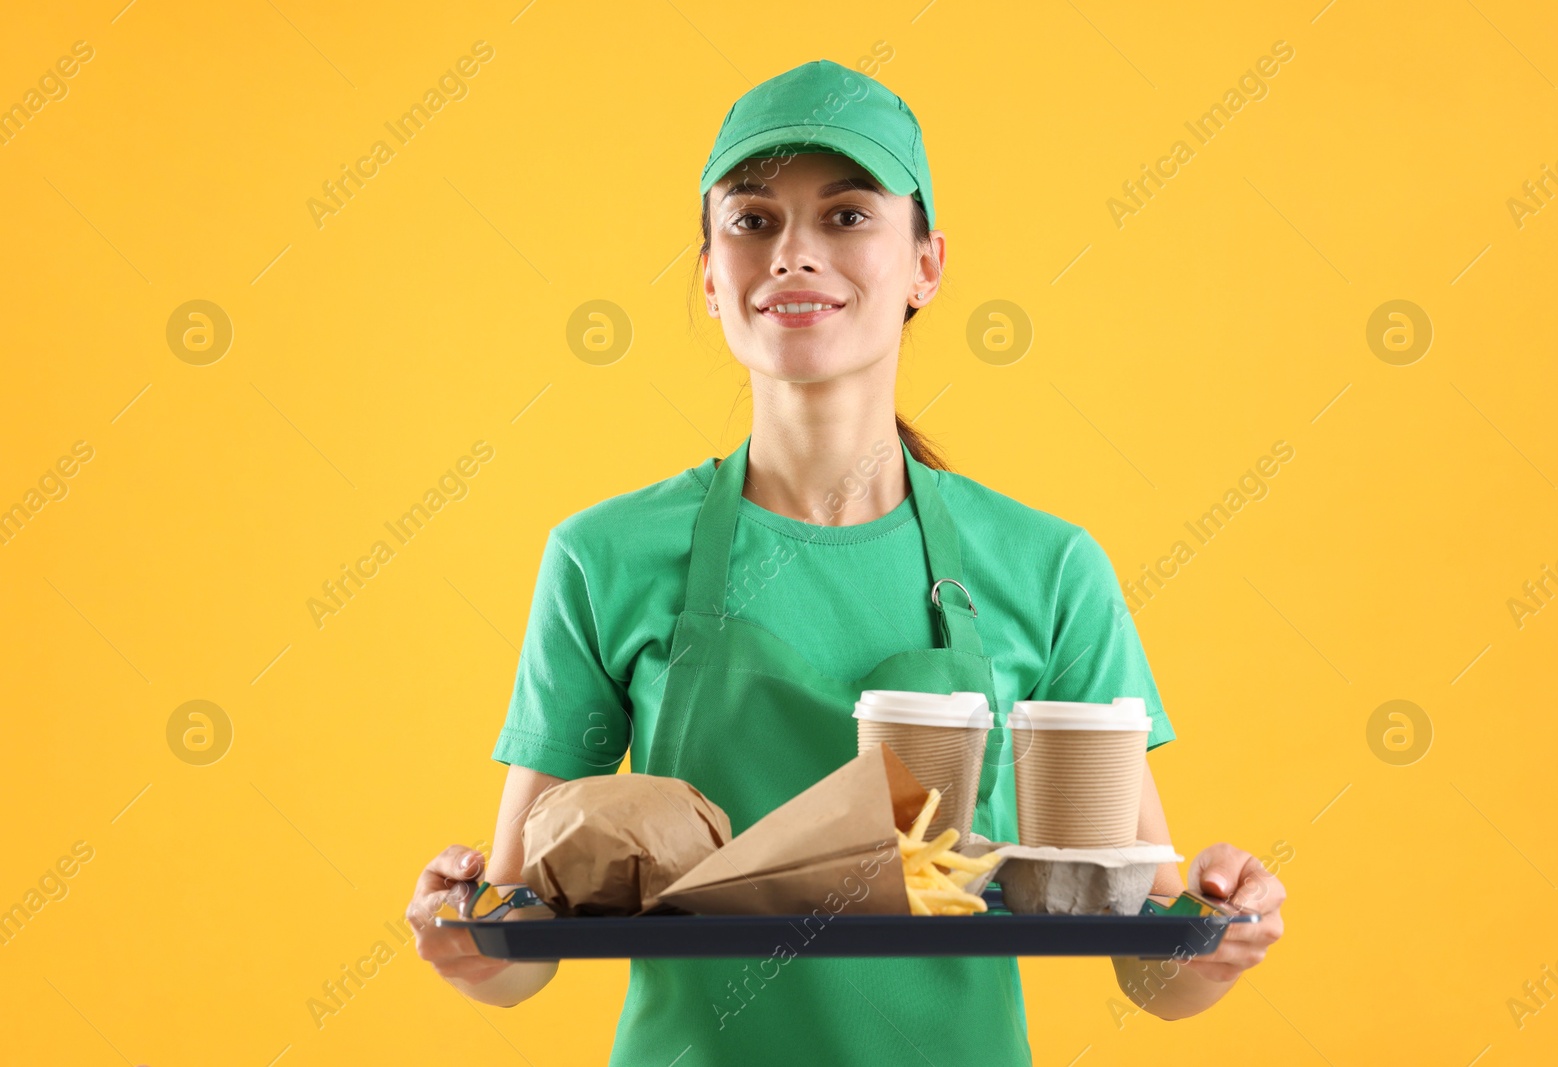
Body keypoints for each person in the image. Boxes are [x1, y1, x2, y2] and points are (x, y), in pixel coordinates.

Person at [407, 58, 1285, 1063]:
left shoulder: (1049, 568)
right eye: (750, 220)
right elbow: (523, 931)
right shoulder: (604, 556)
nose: (792, 254)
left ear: (926, 264)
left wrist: (1212, 936)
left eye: (846, 215)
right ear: (706, 273)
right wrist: (466, 939)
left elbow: (1146, 960)